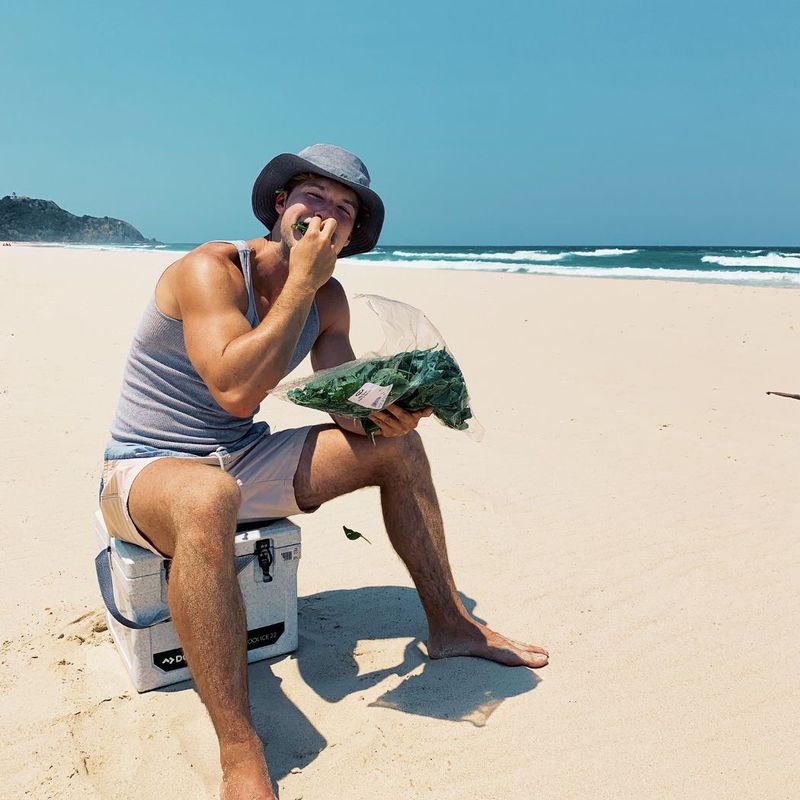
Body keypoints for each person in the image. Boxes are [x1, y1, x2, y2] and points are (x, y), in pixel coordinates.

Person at [99, 144, 549, 800]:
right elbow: (233, 389)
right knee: (208, 494)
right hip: (146, 469)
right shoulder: (211, 270)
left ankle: (451, 626)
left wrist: (390, 408)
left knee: (397, 451)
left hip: (242, 459)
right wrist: (301, 284)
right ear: (282, 204)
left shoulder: (328, 299)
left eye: (345, 209)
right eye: (316, 197)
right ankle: (239, 745)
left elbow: (343, 400)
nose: (328, 216)